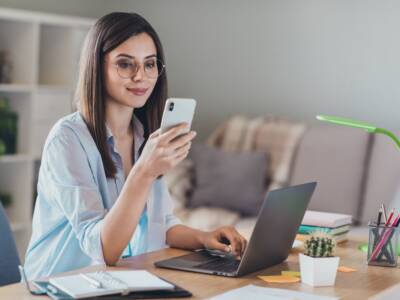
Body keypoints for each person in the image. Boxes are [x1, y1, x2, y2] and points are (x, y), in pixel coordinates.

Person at [24, 12, 247, 280]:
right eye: (125, 64)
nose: (141, 76)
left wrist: (205, 237)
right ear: (96, 67)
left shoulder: (144, 137)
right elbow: (103, 249)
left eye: (150, 64)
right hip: (59, 286)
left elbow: (160, 226)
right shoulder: (68, 139)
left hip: (114, 282)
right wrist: (144, 172)